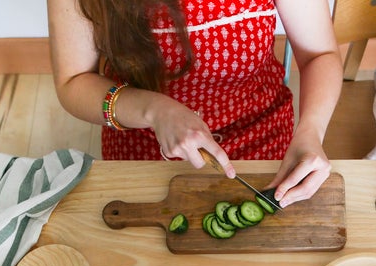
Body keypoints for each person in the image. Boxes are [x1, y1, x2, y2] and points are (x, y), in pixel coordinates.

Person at [47, 0, 342, 207]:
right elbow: (73, 82)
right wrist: (155, 110)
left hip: (264, 142)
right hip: (143, 147)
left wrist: (310, 132)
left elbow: (319, 55)